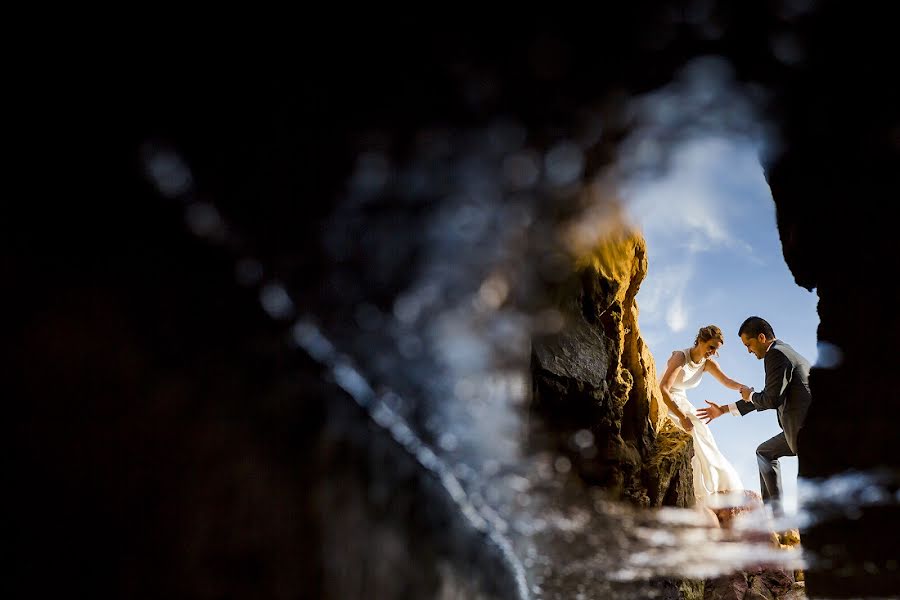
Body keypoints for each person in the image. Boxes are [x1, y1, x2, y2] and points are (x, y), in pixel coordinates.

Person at [698, 316, 812, 517]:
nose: (748, 350)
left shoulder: (775, 355)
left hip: (805, 432)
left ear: (761, 338)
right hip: (800, 429)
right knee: (765, 452)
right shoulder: (786, 350)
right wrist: (723, 409)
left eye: (748, 344)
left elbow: (771, 399)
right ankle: (774, 514)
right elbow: (770, 395)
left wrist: (750, 395)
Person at [659, 325, 747, 506]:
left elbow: (726, 380)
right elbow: (663, 389)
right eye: (711, 347)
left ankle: (716, 490)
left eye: (716, 349)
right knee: (693, 437)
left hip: (682, 401)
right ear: (700, 341)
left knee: (704, 436)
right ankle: (697, 494)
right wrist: (682, 417)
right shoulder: (680, 357)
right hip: (667, 402)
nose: (713, 353)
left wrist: (742, 388)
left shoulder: (707, 364)